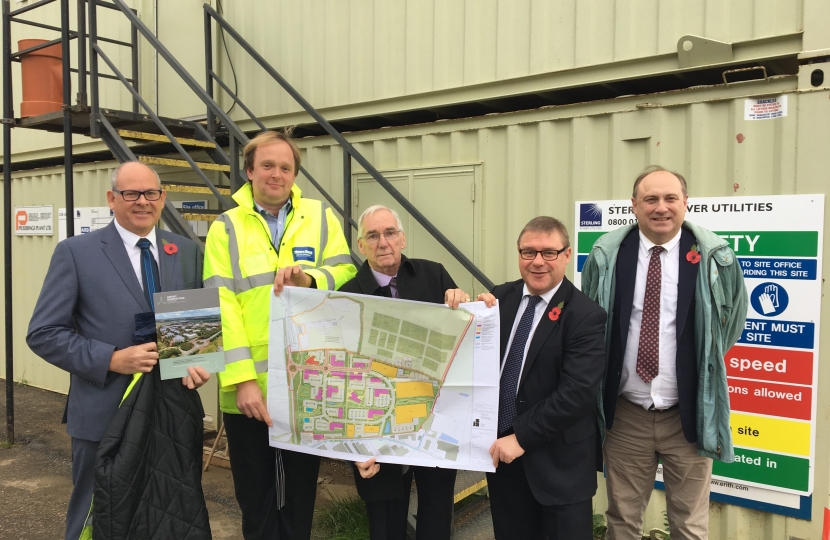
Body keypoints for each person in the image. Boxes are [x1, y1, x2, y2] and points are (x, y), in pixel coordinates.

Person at [26, 161, 208, 540]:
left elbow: (192, 329)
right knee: (96, 515)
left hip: (171, 413)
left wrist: (198, 362)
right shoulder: (77, 253)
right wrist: (111, 358)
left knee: (167, 514)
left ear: (163, 198)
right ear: (112, 199)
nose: (142, 202)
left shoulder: (187, 251)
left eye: (151, 193)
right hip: (104, 414)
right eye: (131, 194)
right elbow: (43, 333)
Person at [203, 129, 356, 540]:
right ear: (249, 171)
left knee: (300, 497)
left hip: (307, 385)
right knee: (257, 500)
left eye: (285, 167)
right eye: (267, 165)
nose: (276, 174)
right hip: (248, 393)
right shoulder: (226, 227)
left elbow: (345, 272)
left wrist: (312, 277)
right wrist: (242, 381)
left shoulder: (321, 218)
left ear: (294, 174)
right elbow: (222, 304)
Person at [581, 165, 748, 540]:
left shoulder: (716, 258)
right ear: (634, 206)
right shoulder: (607, 255)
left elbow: (731, 323)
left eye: (670, 198)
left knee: (689, 525)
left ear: (685, 203)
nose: (661, 207)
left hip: (688, 417)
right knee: (622, 521)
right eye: (650, 199)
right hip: (626, 417)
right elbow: (590, 319)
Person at [338, 205, 469, 540]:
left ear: (403, 238)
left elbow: (463, 339)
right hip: (377, 430)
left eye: (390, 233)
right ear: (360, 244)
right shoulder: (346, 297)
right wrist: (353, 448)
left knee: (437, 516)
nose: (383, 242)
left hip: (434, 424)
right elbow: (340, 379)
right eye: (373, 235)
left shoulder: (435, 276)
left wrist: (464, 304)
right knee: (385, 523)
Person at [476, 216, 606, 540]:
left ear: (567, 255)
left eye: (548, 253)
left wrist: (519, 437)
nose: (537, 262)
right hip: (504, 462)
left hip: (560, 468)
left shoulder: (585, 315)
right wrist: (462, 312)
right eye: (528, 252)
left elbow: (576, 395)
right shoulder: (498, 299)